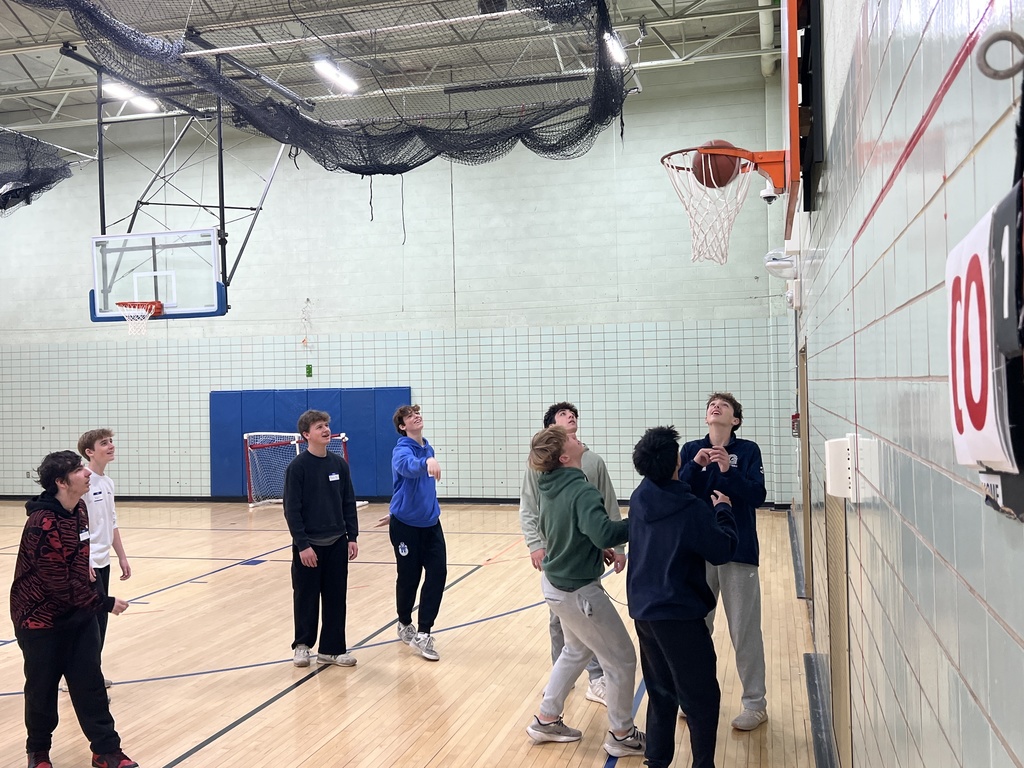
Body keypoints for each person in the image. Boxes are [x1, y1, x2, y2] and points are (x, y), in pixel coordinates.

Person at [524, 426, 645, 759]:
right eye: (572, 439)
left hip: (555, 585)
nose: (579, 438)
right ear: (564, 456)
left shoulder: (548, 485)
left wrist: (593, 549)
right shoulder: (581, 490)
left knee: (575, 651)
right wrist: (642, 520)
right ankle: (622, 734)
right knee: (621, 660)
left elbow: (568, 528)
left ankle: (546, 718)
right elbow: (604, 530)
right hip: (578, 592)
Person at [11, 451, 137, 768]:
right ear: (61, 481)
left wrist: (86, 574)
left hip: (76, 616)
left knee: (90, 684)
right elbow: (58, 584)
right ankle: (38, 752)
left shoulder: (78, 509)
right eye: (78, 470)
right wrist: (105, 602)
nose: (86, 473)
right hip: (39, 620)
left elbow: (80, 554)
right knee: (42, 690)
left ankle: (106, 750)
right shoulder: (42, 523)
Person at [627, 426, 738, 768]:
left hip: (644, 612)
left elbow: (673, 487)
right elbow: (721, 549)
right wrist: (724, 511)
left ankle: (656, 761)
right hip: (679, 615)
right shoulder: (691, 509)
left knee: (661, 691)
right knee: (702, 698)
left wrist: (691, 467)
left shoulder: (641, 495)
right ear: (675, 460)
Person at [518, 401, 622, 706]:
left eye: (572, 413)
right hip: (557, 552)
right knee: (560, 619)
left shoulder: (592, 461)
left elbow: (607, 506)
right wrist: (535, 542)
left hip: (586, 553)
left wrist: (616, 545)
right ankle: (561, 677)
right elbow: (529, 506)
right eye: (563, 414)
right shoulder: (539, 466)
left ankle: (596, 678)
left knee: (586, 617)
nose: (570, 416)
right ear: (551, 428)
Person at [678, 393, 769, 731]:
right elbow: (679, 492)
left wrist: (728, 471)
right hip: (699, 553)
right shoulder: (691, 451)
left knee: (743, 630)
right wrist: (695, 467)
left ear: (735, 420)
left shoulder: (747, 451)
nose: (716, 408)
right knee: (697, 628)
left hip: (738, 553)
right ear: (706, 418)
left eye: (724, 406)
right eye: (711, 405)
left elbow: (757, 495)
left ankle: (755, 704)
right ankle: (695, 696)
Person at [283, 410, 359, 668]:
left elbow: (348, 502)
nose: (326, 430)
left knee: (337, 597)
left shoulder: (339, 465)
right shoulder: (298, 468)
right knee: (305, 596)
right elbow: (292, 510)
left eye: (327, 425)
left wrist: (352, 536)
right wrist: (302, 544)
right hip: (309, 546)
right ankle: (302, 646)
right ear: (306, 435)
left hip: (337, 542)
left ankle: (333, 649)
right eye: (319, 427)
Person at [382, 404, 447, 662]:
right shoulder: (402, 450)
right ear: (402, 426)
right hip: (406, 526)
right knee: (409, 576)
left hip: (431, 523)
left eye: (417, 413)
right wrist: (426, 462)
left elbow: (418, 487)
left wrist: (427, 457)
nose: (416, 416)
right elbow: (408, 468)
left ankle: (424, 632)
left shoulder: (426, 446)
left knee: (438, 573)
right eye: (410, 416)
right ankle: (404, 621)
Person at [78, 429, 131, 689]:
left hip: (104, 562)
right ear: (90, 451)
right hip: (88, 564)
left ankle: (91, 675)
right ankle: (83, 680)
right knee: (89, 623)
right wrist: (83, 561)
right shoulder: (84, 482)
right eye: (104, 443)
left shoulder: (107, 482)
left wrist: (121, 556)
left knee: (101, 621)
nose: (111, 446)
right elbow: (79, 526)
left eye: (111, 441)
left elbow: (112, 522)